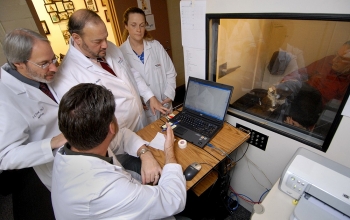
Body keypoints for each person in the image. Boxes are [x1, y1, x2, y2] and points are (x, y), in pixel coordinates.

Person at [52, 9, 165, 177]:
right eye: (98, 41)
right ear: (77, 38)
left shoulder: (108, 47)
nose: (105, 44)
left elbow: (131, 72)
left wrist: (150, 96)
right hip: (117, 144)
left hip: (141, 125)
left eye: (105, 38)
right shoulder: (67, 78)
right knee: (149, 176)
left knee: (159, 157)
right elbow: (91, 128)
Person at [52, 83, 186, 219]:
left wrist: (145, 154)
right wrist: (169, 150)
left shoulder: (73, 147)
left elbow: (122, 135)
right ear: (111, 127)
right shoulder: (107, 190)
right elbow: (174, 200)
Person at [0, 28, 67, 219]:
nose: (54, 67)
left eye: (53, 59)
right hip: (49, 166)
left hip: (75, 153)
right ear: (18, 64)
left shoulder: (43, 75)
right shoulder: (4, 98)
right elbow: (6, 156)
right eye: (44, 63)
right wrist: (54, 141)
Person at [120, 7, 177, 123]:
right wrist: (137, 100)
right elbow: (124, 85)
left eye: (142, 25)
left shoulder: (155, 46)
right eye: (134, 25)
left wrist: (170, 93)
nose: (138, 30)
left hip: (164, 102)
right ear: (126, 25)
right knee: (150, 137)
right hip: (145, 110)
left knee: (171, 134)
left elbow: (170, 71)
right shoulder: (120, 53)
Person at [280, 41, 350, 105]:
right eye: (336, 54)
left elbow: (335, 109)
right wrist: (285, 83)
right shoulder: (328, 60)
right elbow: (301, 73)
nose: (334, 60)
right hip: (298, 96)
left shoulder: (346, 83)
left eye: (341, 58)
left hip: (315, 110)